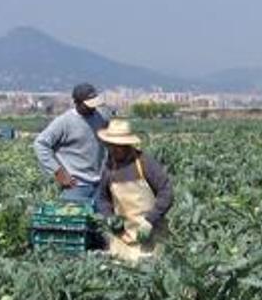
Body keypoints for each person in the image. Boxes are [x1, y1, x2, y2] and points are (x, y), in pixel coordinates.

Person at [93, 119, 173, 263]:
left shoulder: (145, 163)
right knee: (122, 271)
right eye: (112, 145)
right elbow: (102, 197)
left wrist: (150, 221)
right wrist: (109, 216)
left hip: (150, 232)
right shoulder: (109, 167)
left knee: (149, 268)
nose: (115, 149)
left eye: (119, 146)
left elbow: (166, 191)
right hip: (123, 235)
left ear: (127, 144)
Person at [33, 82, 110, 205]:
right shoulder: (64, 122)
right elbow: (40, 144)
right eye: (88, 105)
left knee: (101, 222)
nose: (93, 107)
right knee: (74, 220)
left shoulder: (101, 117)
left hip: (99, 184)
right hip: (75, 186)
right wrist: (57, 172)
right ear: (77, 103)